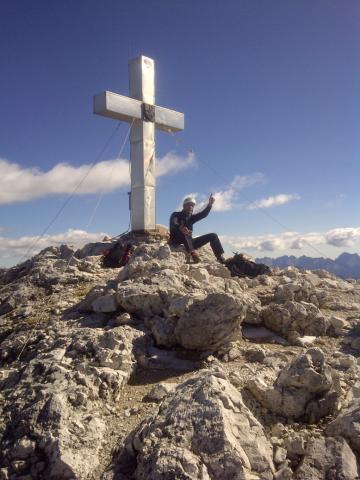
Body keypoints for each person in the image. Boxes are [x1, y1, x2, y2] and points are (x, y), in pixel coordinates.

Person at [169, 194, 226, 263]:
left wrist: (210, 204)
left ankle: (220, 258)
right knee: (185, 232)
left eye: (192, 206)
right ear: (184, 206)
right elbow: (174, 223)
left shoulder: (191, 218)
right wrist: (180, 228)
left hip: (189, 242)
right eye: (189, 205)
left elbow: (203, 214)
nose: (191, 207)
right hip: (176, 240)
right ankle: (193, 253)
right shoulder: (176, 214)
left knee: (213, 236)